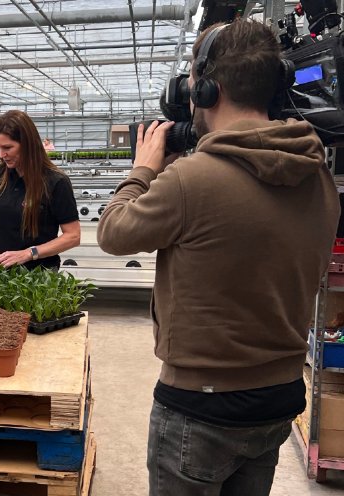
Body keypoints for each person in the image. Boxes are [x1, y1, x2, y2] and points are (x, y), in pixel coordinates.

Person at [96, 19, 340, 496]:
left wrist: (143, 170)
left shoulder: (192, 180)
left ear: (209, 89)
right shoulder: (318, 178)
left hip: (201, 404)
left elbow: (113, 231)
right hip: (278, 393)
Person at [0, 110, 80, 270]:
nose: (1, 154)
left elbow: (73, 236)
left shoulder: (55, 181)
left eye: (7, 147)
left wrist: (29, 253)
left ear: (28, 144)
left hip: (38, 279)